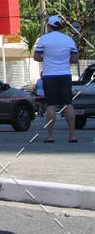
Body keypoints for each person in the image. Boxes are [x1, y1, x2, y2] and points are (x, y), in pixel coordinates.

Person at [34, 15, 79, 143]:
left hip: (49, 76)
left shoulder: (44, 39)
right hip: (65, 75)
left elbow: (36, 57)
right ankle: (72, 136)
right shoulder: (68, 40)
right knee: (68, 104)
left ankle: (50, 136)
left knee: (51, 105)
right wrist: (63, 61)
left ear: (49, 26)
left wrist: (47, 60)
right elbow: (75, 59)